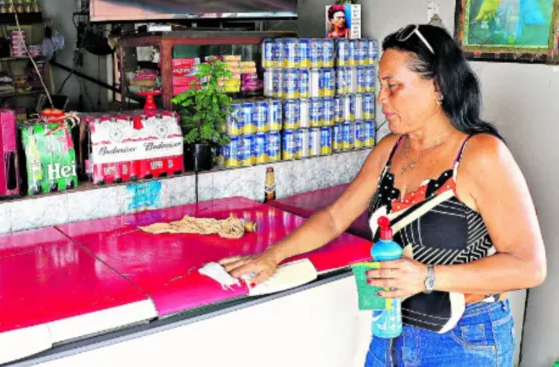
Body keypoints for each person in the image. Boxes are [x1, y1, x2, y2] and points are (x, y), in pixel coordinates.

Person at [220, 24, 546, 366]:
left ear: (438, 87)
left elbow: (530, 266)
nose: (381, 99)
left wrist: (427, 276)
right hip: (391, 328)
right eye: (381, 86)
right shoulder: (390, 148)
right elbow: (333, 218)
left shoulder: (480, 154)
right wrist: (272, 255)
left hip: (464, 338)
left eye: (393, 87)